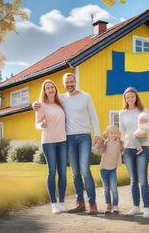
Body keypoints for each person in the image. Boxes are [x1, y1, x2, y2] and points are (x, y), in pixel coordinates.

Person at [33, 73, 101, 215]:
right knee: (75, 173)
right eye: (67, 82)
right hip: (68, 138)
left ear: (75, 81)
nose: (69, 84)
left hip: (84, 137)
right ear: (63, 84)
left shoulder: (85, 97)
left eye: (71, 81)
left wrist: (98, 134)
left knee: (85, 170)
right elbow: (41, 105)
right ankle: (80, 203)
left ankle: (92, 202)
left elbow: (94, 116)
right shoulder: (62, 98)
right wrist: (33, 105)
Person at [119, 87, 149, 218]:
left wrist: (144, 129)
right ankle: (135, 206)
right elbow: (122, 131)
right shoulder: (122, 113)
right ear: (125, 98)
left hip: (143, 147)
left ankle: (146, 208)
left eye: (132, 96)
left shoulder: (143, 111)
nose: (130, 99)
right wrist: (121, 147)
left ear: (136, 97)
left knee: (143, 180)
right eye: (127, 97)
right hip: (128, 149)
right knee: (133, 180)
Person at [35, 80, 68, 214]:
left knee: (63, 173)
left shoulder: (60, 103)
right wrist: (41, 125)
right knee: (52, 172)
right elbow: (36, 124)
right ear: (44, 91)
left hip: (62, 141)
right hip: (48, 142)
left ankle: (61, 202)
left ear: (55, 88)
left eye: (52, 87)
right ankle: (53, 203)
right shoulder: (41, 105)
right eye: (47, 88)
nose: (50, 89)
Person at [93, 125, 123, 214]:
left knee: (114, 188)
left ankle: (115, 205)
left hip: (112, 169)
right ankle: (108, 205)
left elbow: (121, 150)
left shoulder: (119, 143)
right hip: (103, 169)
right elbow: (98, 151)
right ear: (107, 134)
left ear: (117, 134)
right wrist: (98, 144)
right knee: (106, 188)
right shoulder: (105, 143)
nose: (113, 135)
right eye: (111, 133)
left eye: (115, 133)